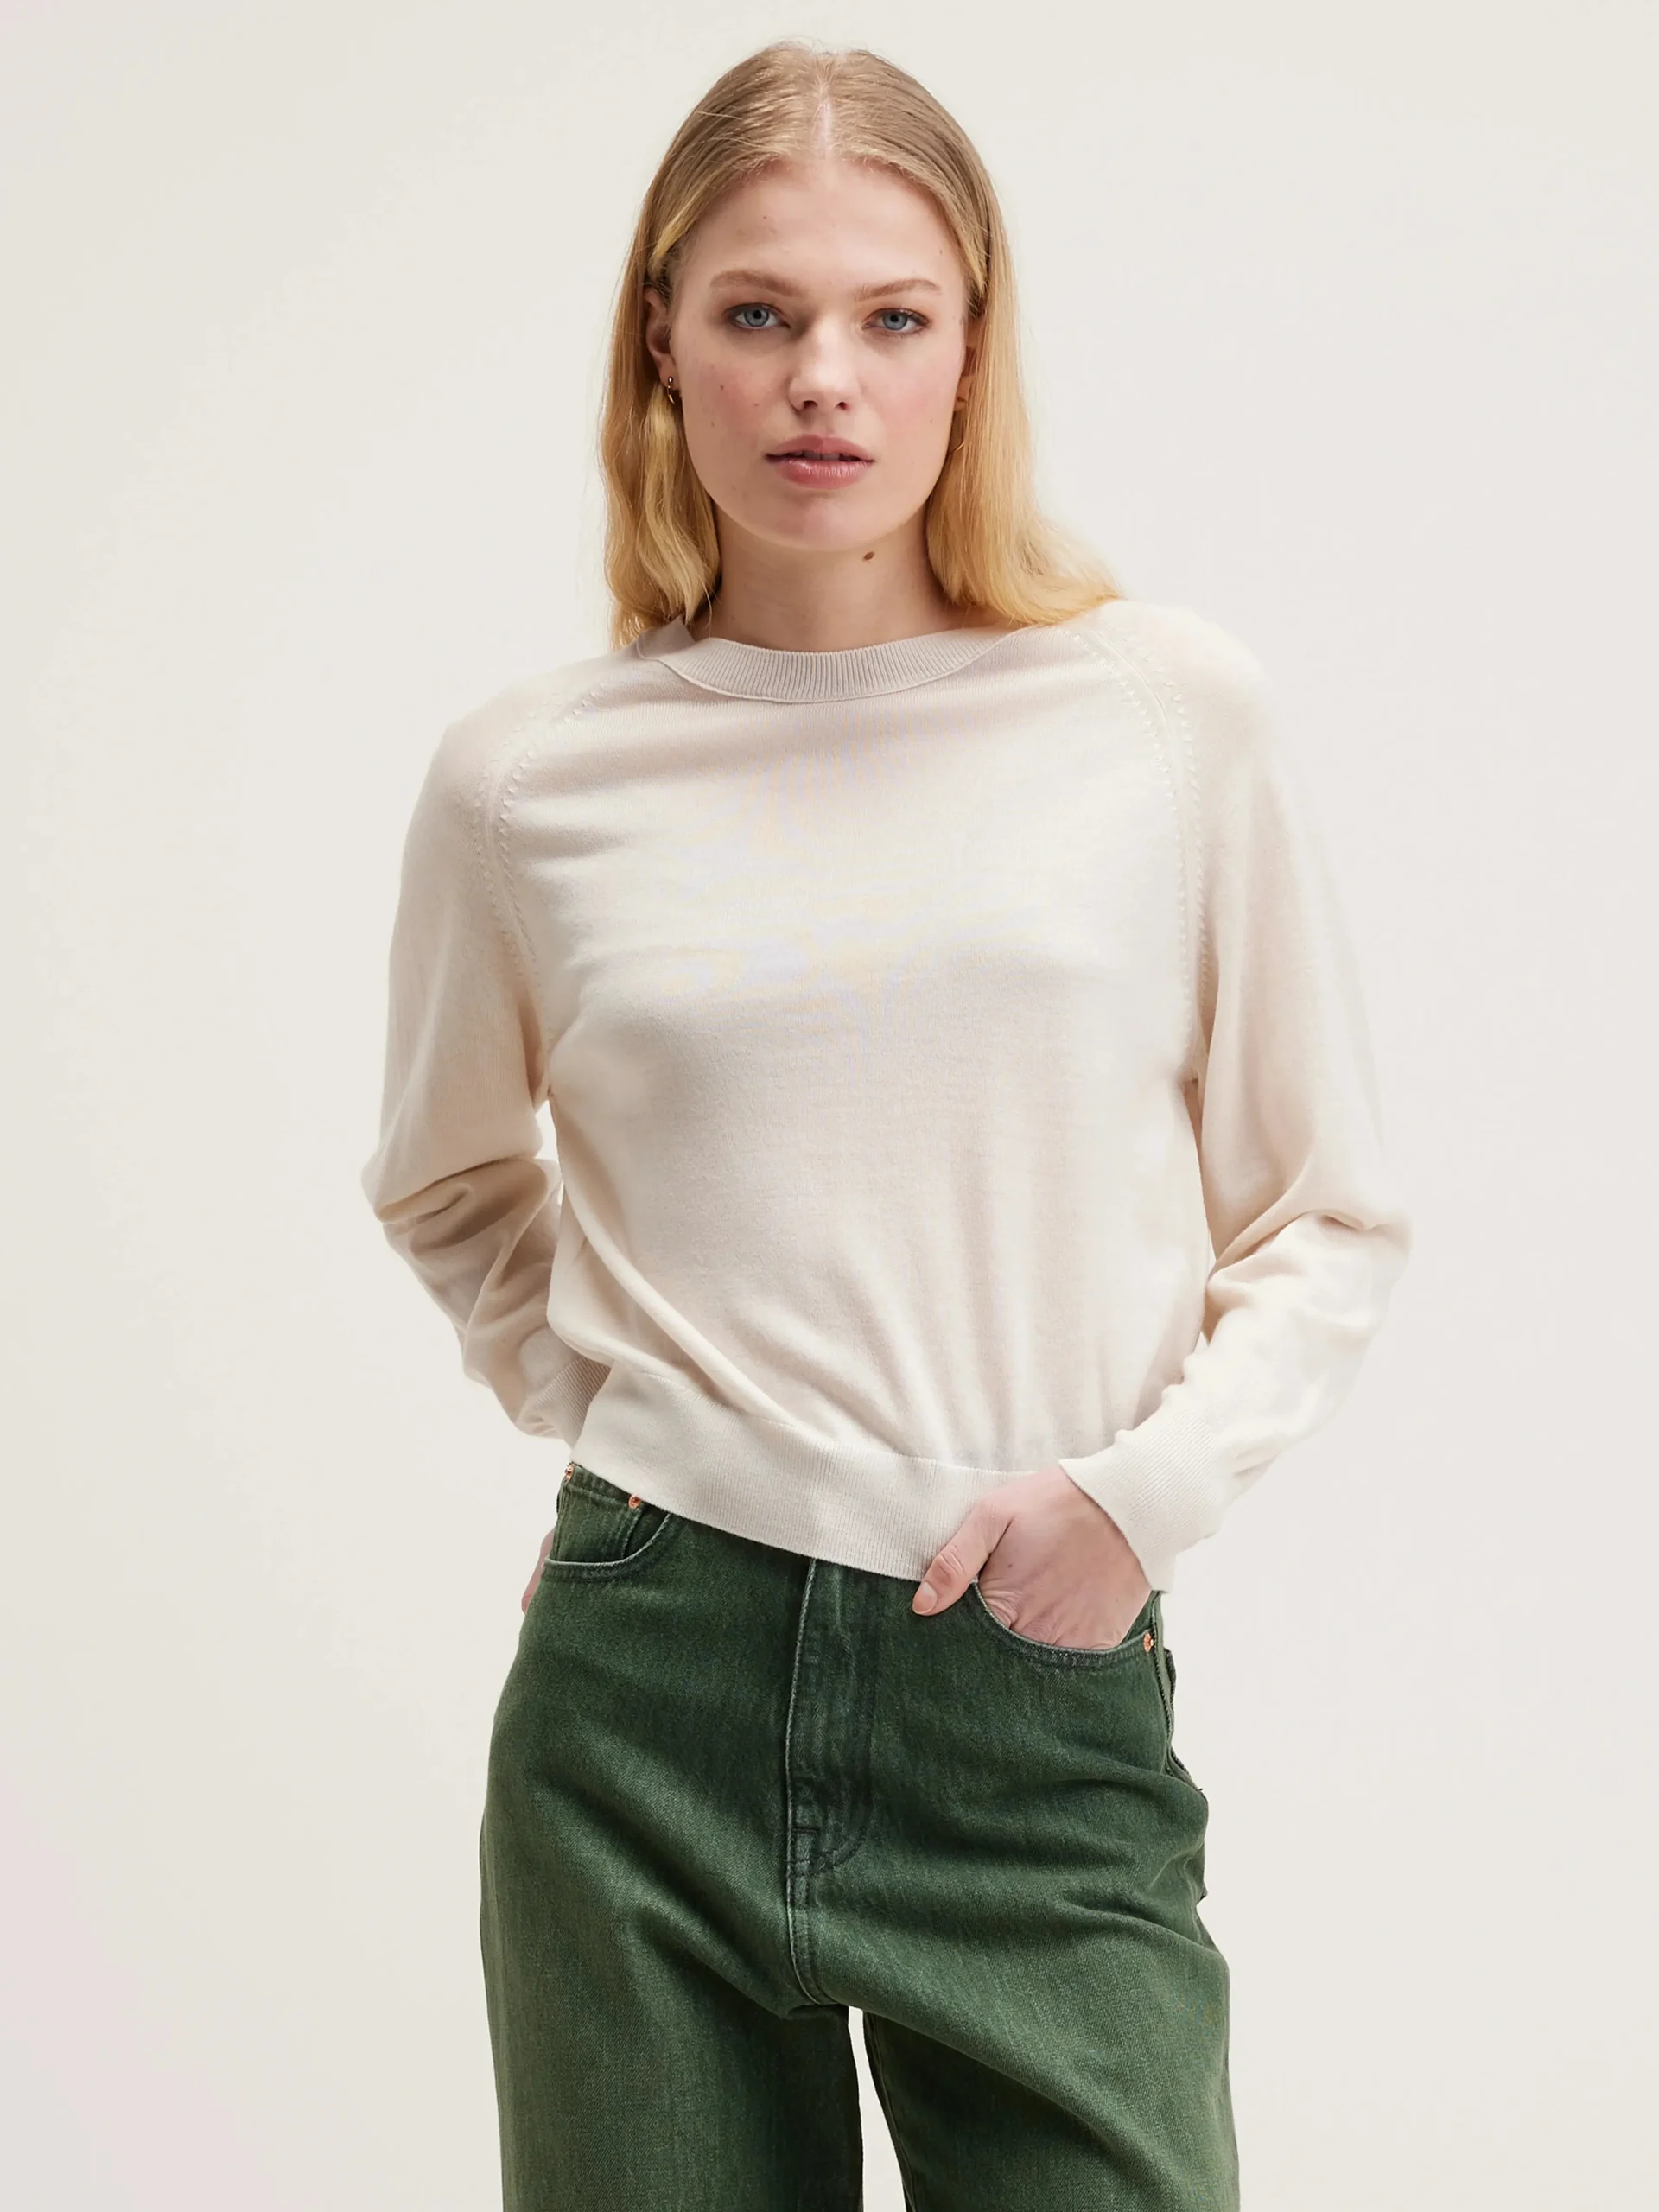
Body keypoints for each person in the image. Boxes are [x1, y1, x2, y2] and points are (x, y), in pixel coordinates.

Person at [359, 36, 1410, 2212]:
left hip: (1032, 1688)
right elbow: (449, 1180)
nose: (821, 379)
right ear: (664, 340)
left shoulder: (1162, 718)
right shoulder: (527, 783)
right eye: (759, 312)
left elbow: (1325, 1211)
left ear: (971, 350)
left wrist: (1135, 1499)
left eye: (890, 317)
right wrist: (636, 1428)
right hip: (642, 1703)